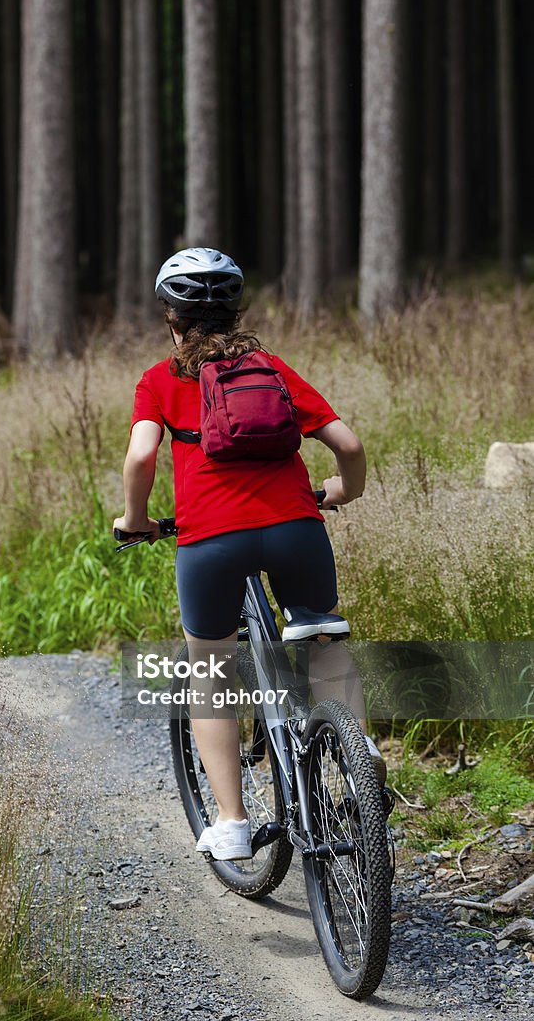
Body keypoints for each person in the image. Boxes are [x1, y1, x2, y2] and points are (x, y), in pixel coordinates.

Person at [113, 247, 386, 862]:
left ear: (170, 317)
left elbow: (140, 457)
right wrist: (344, 490)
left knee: (210, 667)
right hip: (297, 527)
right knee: (323, 641)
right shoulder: (270, 366)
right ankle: (359, 754)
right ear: (236, 312)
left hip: (209, 540)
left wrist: (134, 520)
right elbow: (348, 442)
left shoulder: (158, 382)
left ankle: (233, 824)